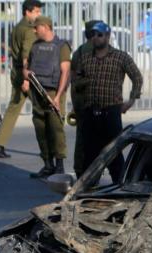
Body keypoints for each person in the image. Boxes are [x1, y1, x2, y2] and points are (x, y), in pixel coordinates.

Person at [75, 21, 142, 184]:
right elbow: (76, 81)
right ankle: (89, 189)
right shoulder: (85, 58)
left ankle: (120, 187)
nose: (96, 38)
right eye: (92, 35)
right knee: (90, 155)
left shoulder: (120, 57)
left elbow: (137, 78)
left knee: (113, 153)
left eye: (99, 35)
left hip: (111, 112)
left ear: (107, 36)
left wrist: (131, 100)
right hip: (91, 112)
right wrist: (85, 82)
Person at [0, 0, 42, 159]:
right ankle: (48, 151)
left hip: (16, 71)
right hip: (27, 74)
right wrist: (27, 78)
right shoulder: (28, 31)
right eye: (36, 11)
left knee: (13, 109)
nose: (38, 14)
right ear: (28, 12)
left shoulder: (17, 27)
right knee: (43, 112)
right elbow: (26, 54)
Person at [27, 15, 70, 179]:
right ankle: (47, 164)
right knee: (40, 128)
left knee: (55, 128)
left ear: (44, 26)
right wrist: (26, 74)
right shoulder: (35, 46)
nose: (34, 30)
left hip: (53, 92)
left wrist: (58, 96)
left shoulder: (61, 46)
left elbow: (65, 72)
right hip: (37, 91)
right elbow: (28, 67)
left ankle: (59, 166)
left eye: (36, 27)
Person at [69, 20, 102, 178]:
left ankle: (81, 171)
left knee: (82, 139)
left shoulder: (79, 52)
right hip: (98, 102)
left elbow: (74, 80)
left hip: (82, 101)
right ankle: (94, 173)